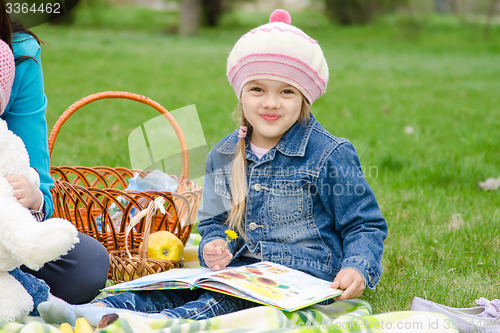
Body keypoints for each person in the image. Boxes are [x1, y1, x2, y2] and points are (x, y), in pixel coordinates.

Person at [38, 9, 388, 326]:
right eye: (257, 89)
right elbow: (214, 223)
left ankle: (157, 325)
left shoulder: (329, 155)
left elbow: (364, 223)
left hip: (300, 280)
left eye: (286, 92)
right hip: (240, 271)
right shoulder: (224, 154)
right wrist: (214, 245)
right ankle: (96, 311)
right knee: (176, 289)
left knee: (220, 305)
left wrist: (356, 265)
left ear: (304, 97)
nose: (270, 103)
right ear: (240, 93)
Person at [1, 0, 109, 310]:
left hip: (4, 222)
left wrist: (33, 197)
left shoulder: (18, 54)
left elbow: (39, 180)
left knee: (87, 266)